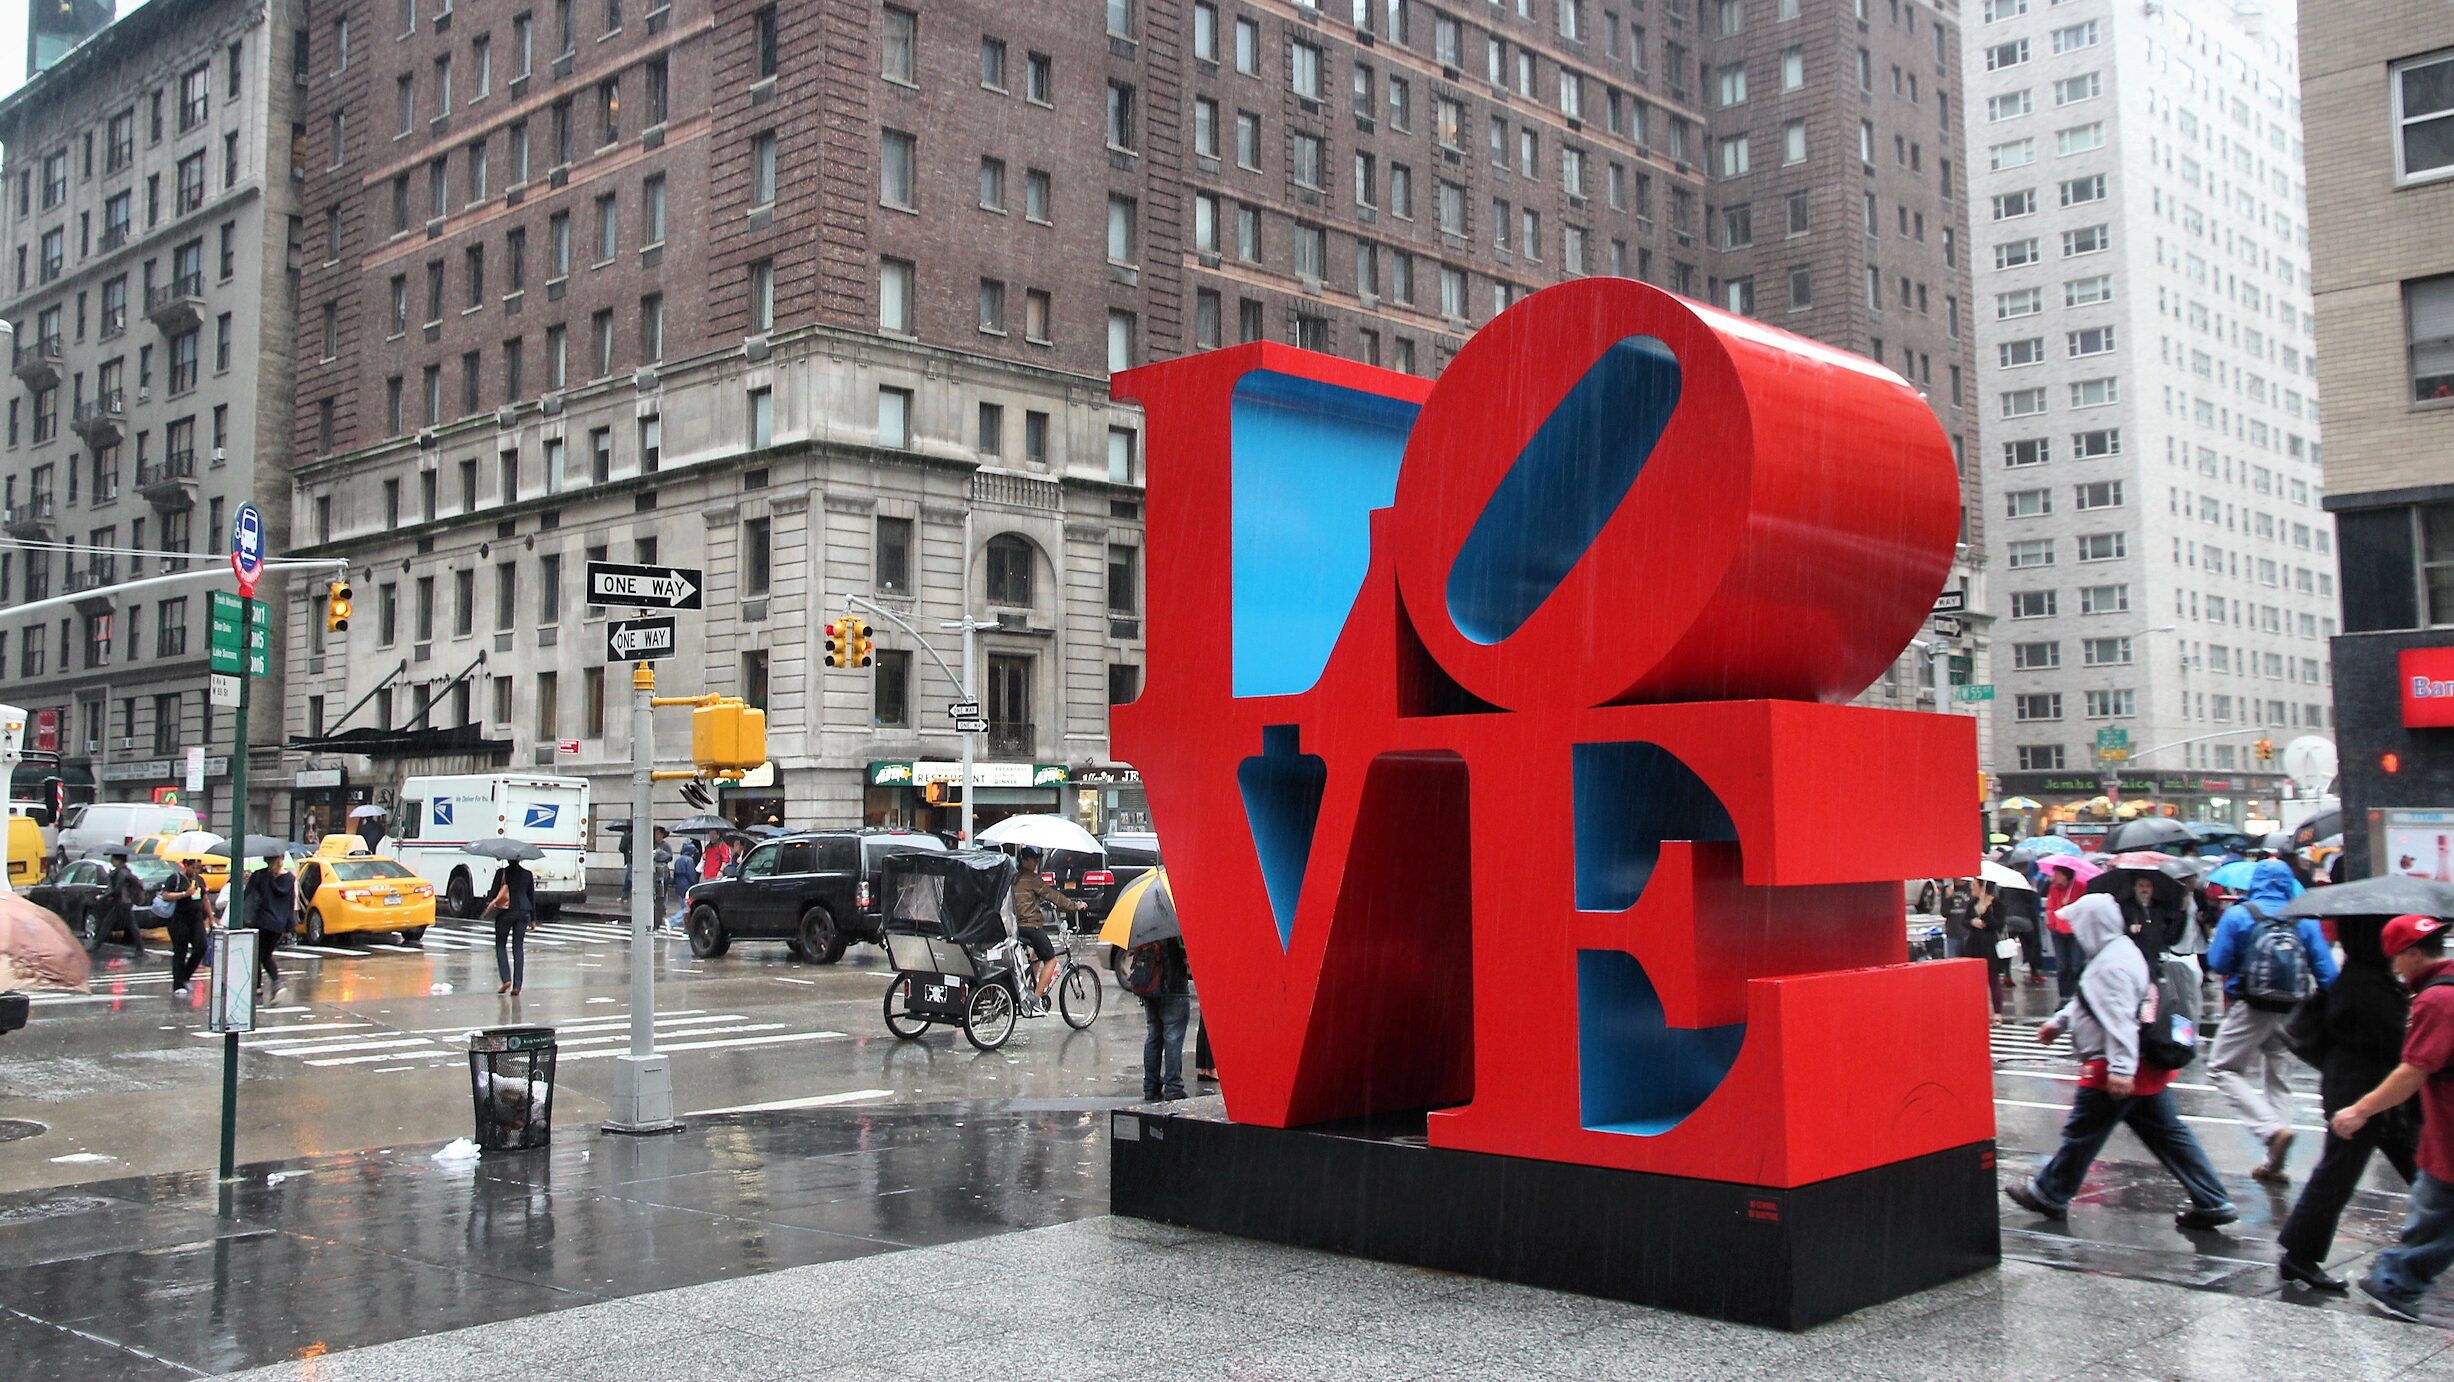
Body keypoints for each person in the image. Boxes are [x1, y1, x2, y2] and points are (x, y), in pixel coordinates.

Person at [2003, 893, 2238, 1230]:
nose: (2074, 931)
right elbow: (2100, 1004)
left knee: (2083, 1135)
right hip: (2140, 1069)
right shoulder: (2119, 952)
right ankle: (2213, 1198)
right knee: (2170, 1137)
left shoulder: (2109, 964)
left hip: (2113, 1067)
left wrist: (2120, 1070)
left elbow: (2119, 1019)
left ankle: (2049, 1193)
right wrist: (2060, 1022)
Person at [2277, 916, 2420, 1292]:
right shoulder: (2367, 983)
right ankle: (2299, 1255)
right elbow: (2394, 1042)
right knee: (2339, 1175)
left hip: (2365, 1092)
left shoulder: (2362, 975)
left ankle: (2300, 1254)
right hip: (2360, 1096)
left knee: (2420, 1170)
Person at [2332, 915, 2454, 1322]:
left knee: (2437, 1209)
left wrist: (2359, 1109)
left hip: (2451, 1128)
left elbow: (2413, 1070)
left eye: (2397, 960)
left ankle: (2395, 1282)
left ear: (2414, 954)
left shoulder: (2437, 1000)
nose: (2395, 969)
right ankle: (2396, 1279)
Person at [2205, 858, 2338, 1184]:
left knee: (2222, 1068)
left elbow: (2218, 962)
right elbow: (2327, 974)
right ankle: (2275, 1158)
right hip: (2290, 1008)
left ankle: (2270, 1131)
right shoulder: (2303, 920)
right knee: (2278, 1079)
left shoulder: (2239, 914)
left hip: (2250, 1006)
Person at [1012, 847, 1087, 999]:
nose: (1036, 862)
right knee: (1051, 960)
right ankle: (1036, 1000)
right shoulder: (1032, 879)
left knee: (1036, 955)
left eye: (1037, 859)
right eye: (1033, 859)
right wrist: (1074, 906)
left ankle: (1031, 986)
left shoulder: (1013, 877)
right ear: (1024, 861)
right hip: (1030, 926)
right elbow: (1053, 895)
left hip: (1016, 927)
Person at [1131, 934, 1192, 1101]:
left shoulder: (1144, 926)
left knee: (1153, 1036)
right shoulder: (1173, 926)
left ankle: (1150, 1086)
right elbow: (1186, 957)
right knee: (1172, 1038)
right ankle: (1173, 1088)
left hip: (1150, 987)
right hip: (1174, 988)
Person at [243, 854, 296, 992]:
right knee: (266, 955)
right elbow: (290, 904)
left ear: (266, 860)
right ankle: (276, 982)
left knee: (256, 955)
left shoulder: (259, 876)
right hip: (278, 924)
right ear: (282, 858)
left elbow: (248, 896)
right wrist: (289, 926)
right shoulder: (290, 879)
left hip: (261, 921)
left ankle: (258, 987)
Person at [485, 858, 536, 995]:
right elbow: (531, 896)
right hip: (524, 912)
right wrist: (533, 919)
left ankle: (506, 979)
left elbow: (494, 894)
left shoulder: (502, 873)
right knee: (518, 947)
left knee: (501, 945)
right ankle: (517, 985)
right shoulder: (527, 874)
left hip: (505, 912)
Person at [2044, 865, 2089, 1002]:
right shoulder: (2053, 888)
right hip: (2058, 930)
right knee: (2062, 966)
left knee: (2076, 965)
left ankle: (2078, 996)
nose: (2054, 876)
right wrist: (2052, 923)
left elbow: (2084, 908)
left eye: (2057, 873)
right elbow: (2050, 907)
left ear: (2065, 875)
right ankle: (2064, 997)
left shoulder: (2080, 886)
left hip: (2075, 931)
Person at [163, 859, 207, 996]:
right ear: (186, 866)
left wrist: (211, 919)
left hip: (196, 918)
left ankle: (186, 975)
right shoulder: (175, 878)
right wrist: (184, 894)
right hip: (179, 919)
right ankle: (178, 983)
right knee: (180, 951)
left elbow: (204, 898)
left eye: (198, 868)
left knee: (201, 946)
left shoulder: (199, 880)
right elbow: (165, 895)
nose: (195, 871)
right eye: (193, 868)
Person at [93, 853, 149, 957]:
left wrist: (102, 897)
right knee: (108, 923)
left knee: (130, 925)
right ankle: (96, 945)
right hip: (122, 902)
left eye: (113, 858)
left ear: (118, 860)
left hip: (123, 903)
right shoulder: (123, 871)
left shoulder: (122, 872)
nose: (111, 860)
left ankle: (140, 949)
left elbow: (117, 890)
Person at [666, 837, 700, 929]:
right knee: (686, 909)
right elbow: (691, 875)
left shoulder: (679, 860)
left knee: (683, 906)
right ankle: (672, 921)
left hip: (679, 885)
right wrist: (695, 884)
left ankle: (686, 928)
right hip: (686, 886)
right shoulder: (689, 861)